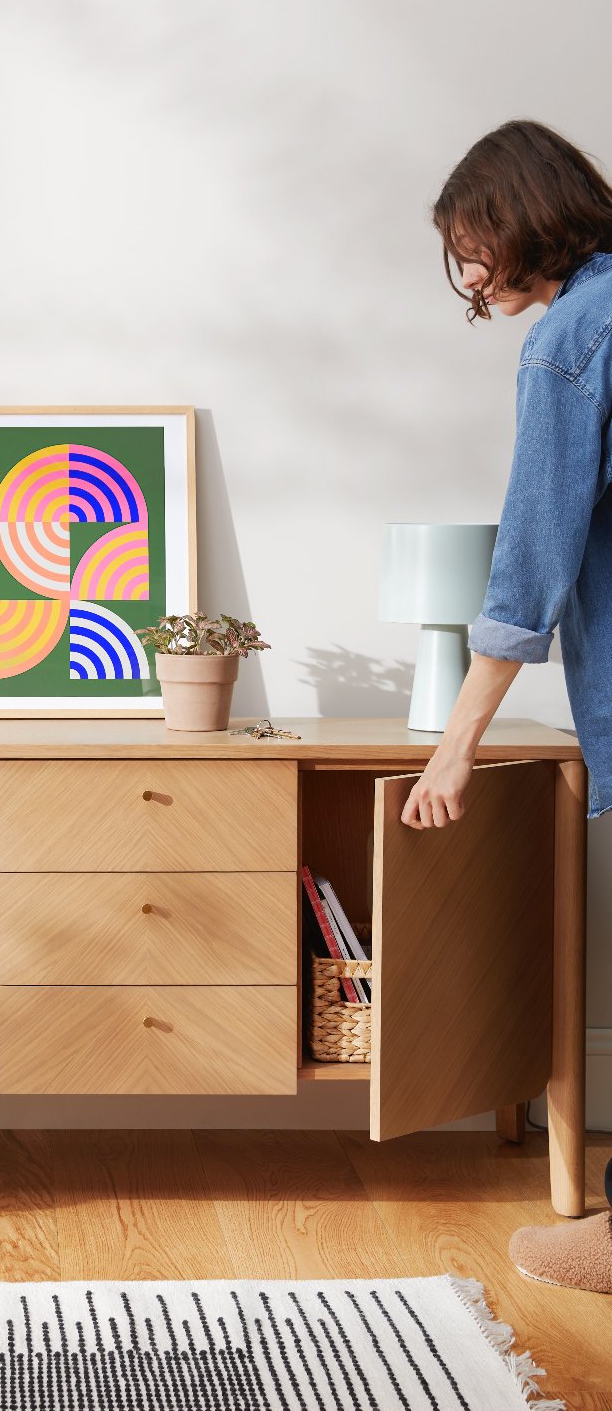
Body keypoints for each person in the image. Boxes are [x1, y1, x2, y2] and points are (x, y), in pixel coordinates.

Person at [408, 119, 612, 1292]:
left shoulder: (573, 341)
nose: (473, 275)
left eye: (472, 244)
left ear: (523, 213)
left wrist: (453, 750)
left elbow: (531, 564)